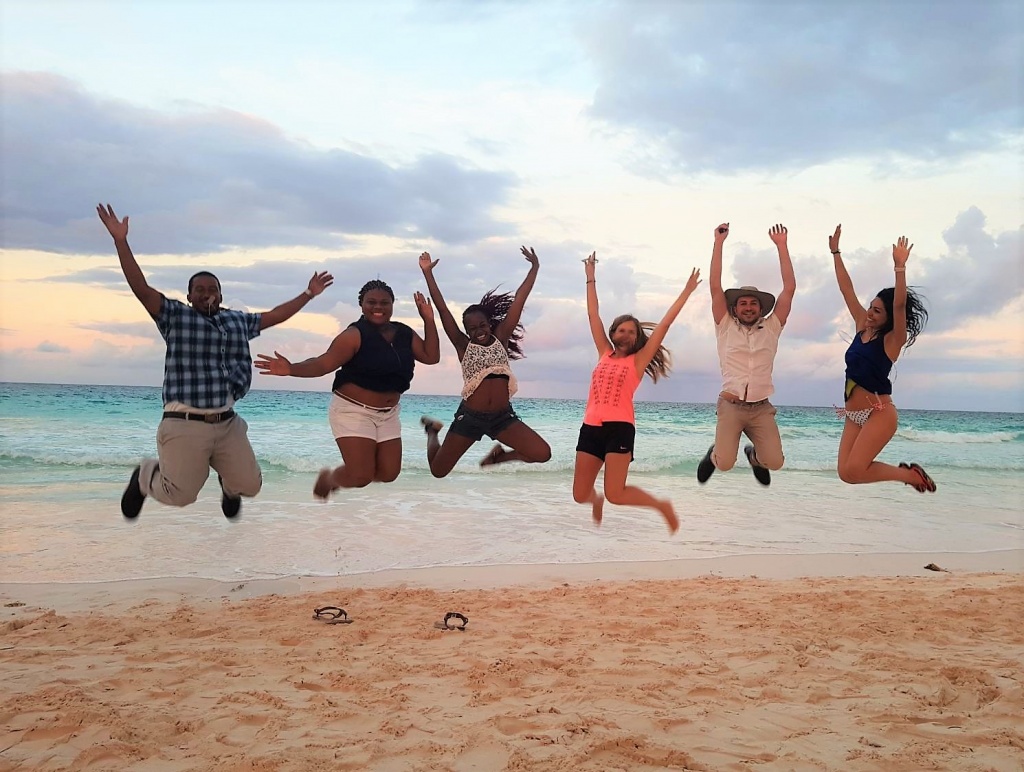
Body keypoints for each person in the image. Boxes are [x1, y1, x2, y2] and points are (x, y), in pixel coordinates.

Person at [97, 203, 334, 520]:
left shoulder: (236, 322)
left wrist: (309, 293)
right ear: (189, 296)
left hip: (226, 423)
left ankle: (228, 484)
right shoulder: (175, 318)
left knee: (251, 485)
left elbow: (275, 316)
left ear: (221, 295)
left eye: (213, 289)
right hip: (184, 423)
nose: (207, 294)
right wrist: (120, 241)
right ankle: (144, 476)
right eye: (200, 290)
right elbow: (141, 288)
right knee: (180, 496)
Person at [255, 275, 439, 498]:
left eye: (384, 302)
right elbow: (323, 363)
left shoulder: (404, 333)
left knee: (389, 473)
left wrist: (428, 319)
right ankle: (330, 478)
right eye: (371, 302)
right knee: (361, 477)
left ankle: (344, 476)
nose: (378, 307)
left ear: (392, 305)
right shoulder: (353, 335)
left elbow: (431, 357)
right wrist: (291, 368)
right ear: (362, 305)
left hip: (389, 414)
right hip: (353, 411)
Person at [573, 252, 701, 534]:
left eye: (631, 331)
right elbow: (592, 314)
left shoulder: (638, 361)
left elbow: (664, 325)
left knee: (616, 495)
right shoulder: (603, 353)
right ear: (613, 333)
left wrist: (687, 291)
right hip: (590, 428)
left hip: (619, 428)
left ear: (636, 337)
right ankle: (595, 501)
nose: (626, 334)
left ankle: (661, 506)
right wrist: (590, 276)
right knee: (580, 495)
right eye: (621, 329)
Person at [418, 247, 552, 474]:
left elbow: (520, 299)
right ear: (466, 331)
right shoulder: (463, 346)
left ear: (489, 324)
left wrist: (535, 268)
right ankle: (432, 431)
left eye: (482, 325)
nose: (479, 331)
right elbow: (442, 309)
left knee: (542, 453)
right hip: (470, 418)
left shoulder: (501, 337)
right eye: (472, 328)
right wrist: (428, 273)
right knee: (438, 470)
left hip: (502, 417)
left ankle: (500, 457)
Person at [829, 225, 934, 492]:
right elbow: (846, 289)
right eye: (871, 307)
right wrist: (835, 252)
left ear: (887, 317)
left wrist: (900, 268)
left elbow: (899, 305)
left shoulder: (892, 341)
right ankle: (907, 474)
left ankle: (909, 476)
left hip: (880, 414)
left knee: (855, 468)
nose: (870, 313)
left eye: (877, 311)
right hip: (854, 414)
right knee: (846, 473)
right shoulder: (862, 325)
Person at [697, 223, 796, 487]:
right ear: (735, 308)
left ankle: (753, 456)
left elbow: (789, 290)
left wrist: (782, 246)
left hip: (761, 408)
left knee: (775, 462)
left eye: (753, 303)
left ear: (760, 307)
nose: (749, 307)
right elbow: (715, 287)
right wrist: (718, 243)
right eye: (743, 303)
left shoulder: (772, 327)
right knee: (726, 464)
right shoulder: (725, 326)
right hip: (731, 406)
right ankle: (714, 454)